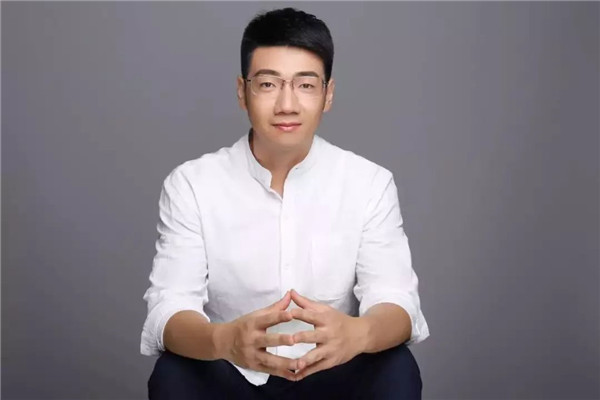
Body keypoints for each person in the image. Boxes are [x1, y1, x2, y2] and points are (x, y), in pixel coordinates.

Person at [141, 7, 430, 399]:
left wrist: (358, 332)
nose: (287, 104)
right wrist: (226, 340)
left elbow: (396, 301)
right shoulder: (192, 184)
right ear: (242, 91)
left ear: (328, 94)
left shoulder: (369, 183)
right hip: (232, 375)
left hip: (335, 374)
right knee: (173, 373)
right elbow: (169, 308)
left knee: (396, 366)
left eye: (305, 85)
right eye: (268, 84)